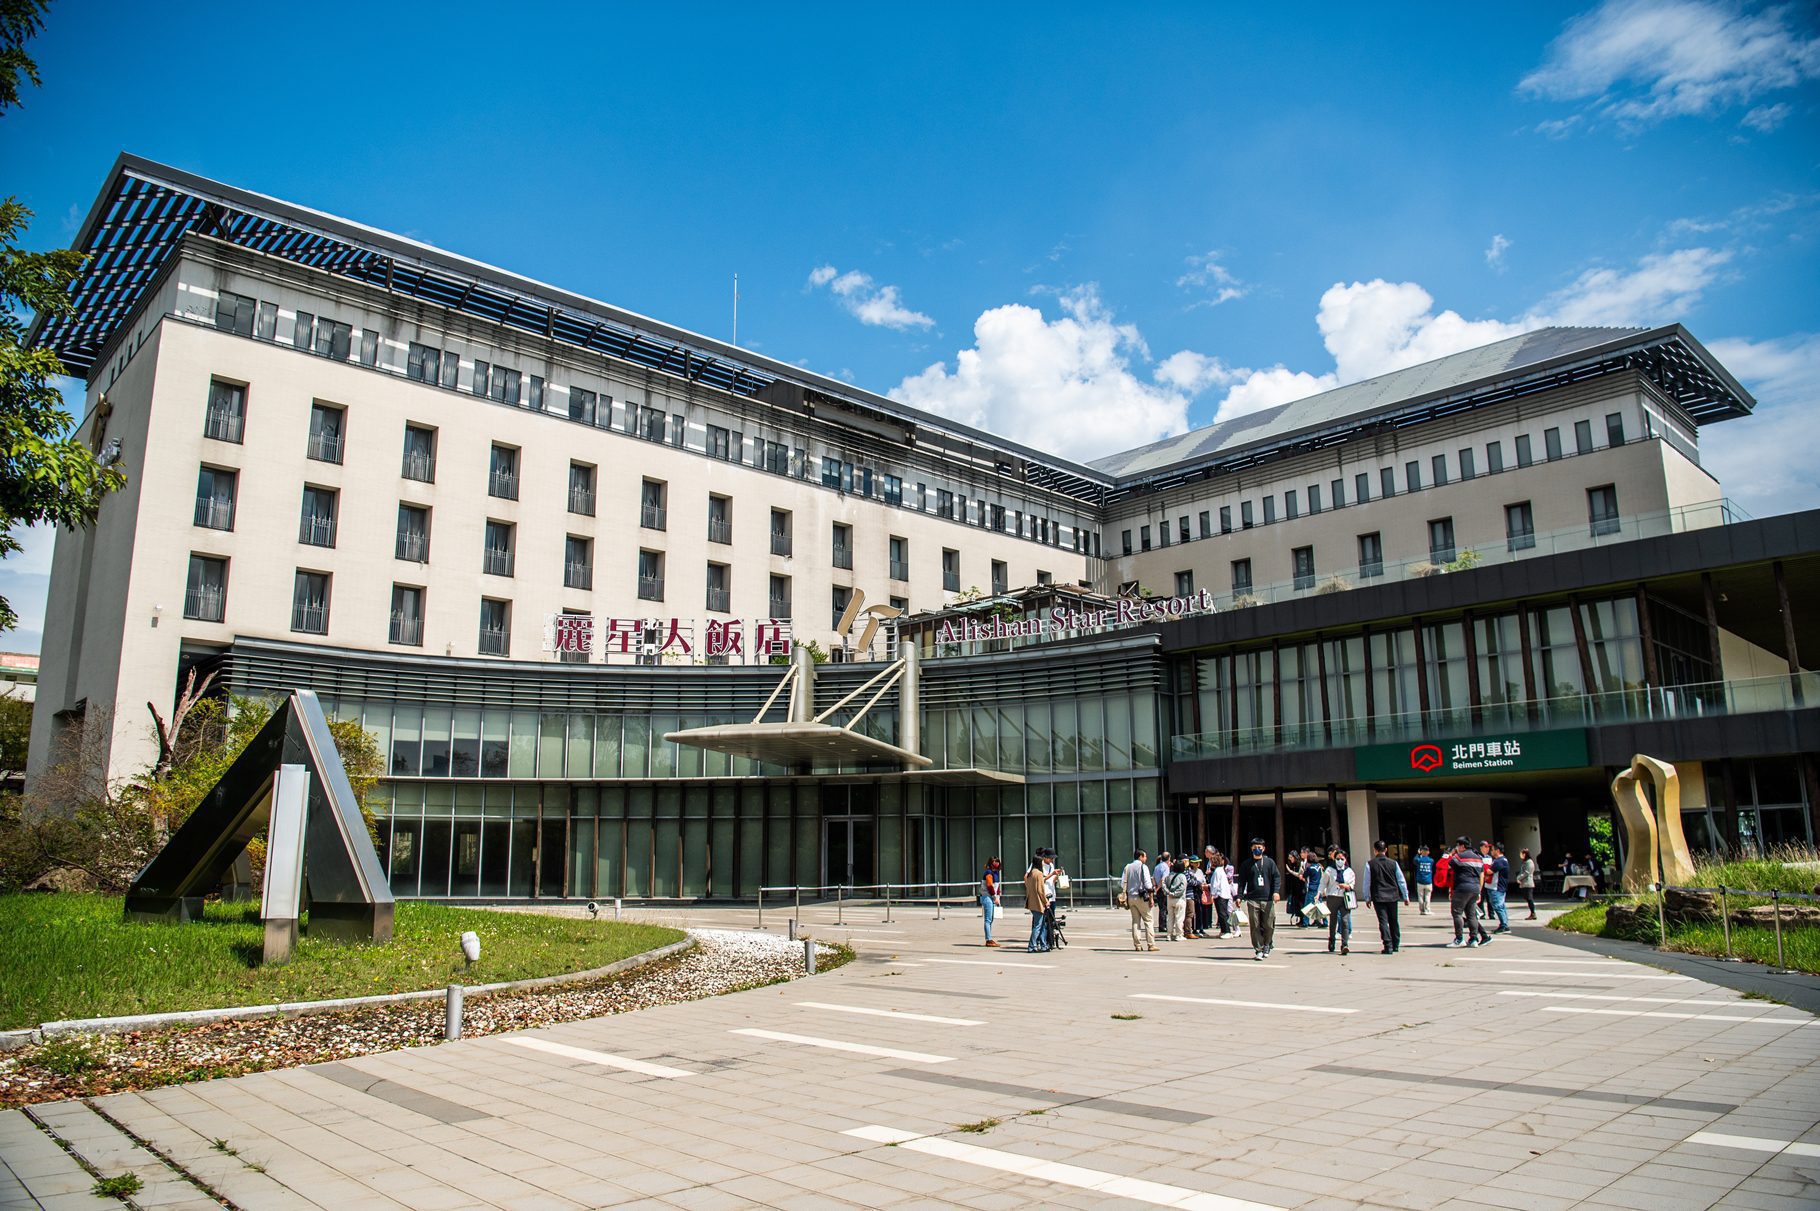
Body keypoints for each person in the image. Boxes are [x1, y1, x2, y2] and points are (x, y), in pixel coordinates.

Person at [1239, 838, 1281, 961]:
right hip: (1253, 899)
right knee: (1255, 925)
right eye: (1255, 847)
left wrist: (1276, 892)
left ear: (1263, 849)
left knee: (1269, 924)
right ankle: (1258, 949)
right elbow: (1242, 881)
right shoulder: (1246, 864)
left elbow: (1276, 878)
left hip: (1268, 898)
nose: (1257, 849)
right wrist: (1239, 896)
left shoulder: (1269, 862)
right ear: (1251, 849)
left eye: (1259, 847)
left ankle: (1267, 944)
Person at [1446, 838, 1491, 948]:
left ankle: (1459, 939)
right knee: (1471, 915)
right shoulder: (1478, 858)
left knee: (1457, 913)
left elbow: (1448, 866)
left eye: (1458, 846)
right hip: (1475, 888)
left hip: (1462, 888)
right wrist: (1479, 890)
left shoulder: (1459, 857)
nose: (1457, 848)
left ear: (1462, 846)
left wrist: (1450, 854)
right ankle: (1473, 939)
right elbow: (1482, 875)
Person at [1366, 840, 1409, 953]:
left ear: (1374, 850)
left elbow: (1367, 882)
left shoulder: (1370, 864)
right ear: (1386, 850)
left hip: (1378, 896)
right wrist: (1405, 896)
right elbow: (1401, 880)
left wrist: (1367, 897)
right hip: (1392, 896)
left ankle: (1388, 945)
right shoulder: (1393, 863)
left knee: (1383, 921)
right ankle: (1396, 944)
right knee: (1394, 920)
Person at [1320, 848, 1356, 955]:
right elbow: (1323, 883)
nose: (1340, 861)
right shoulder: (1329, 870)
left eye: (1342, 859)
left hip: (1345, 897)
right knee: (1333, 920)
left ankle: (1345, 944)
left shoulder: (1349, 871)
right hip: (1333, 897)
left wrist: (1347, 886)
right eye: (1338, 858)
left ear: (1345, 859)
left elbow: (1352, 884)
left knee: (1345, 920)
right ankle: (1332, 940)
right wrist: (1319, 893)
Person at [1121, 848, 1157, 952]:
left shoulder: (1127, 867)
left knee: (1135, 921)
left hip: (1131, 897)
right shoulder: (1143, 867)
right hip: (1142, 897)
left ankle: (1137, 945)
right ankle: (1151, 944)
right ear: (1140, 856)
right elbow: (1148, 884)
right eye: (1145, 856)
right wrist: (1151, 897)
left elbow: (1122, 883)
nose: (1146, 858)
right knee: (1148, 920)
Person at [1023, 854, 1049, 953]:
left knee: (1040, 925)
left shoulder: (1030, 873)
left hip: (1031, 902)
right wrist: (1046, 901)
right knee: (1038, 926)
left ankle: (1043, 945)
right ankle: (1032, 946)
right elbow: (1041, 890)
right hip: (1038, 903)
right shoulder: (1039, 874)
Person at [1209, 850, 1236, 937]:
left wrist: (1212, 894)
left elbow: (1215, 884)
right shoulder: (1221, 870)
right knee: (1222, 913)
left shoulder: (1217, 871)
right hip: (1224, 894)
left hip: (1220, 895)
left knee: (1222, 914)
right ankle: (1223, 930)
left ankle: (1227, 931)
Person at [1487, 843, 1511, 933]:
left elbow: (1489, 871)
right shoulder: (1502, 860)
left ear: (1497, 851)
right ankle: (1504, 924)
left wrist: (1483, 867)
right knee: (1501, 906)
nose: (1491, 851)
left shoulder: (1499, 861)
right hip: (1498, 887)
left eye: (1492, 850)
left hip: (1496, 887)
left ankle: (1504, 925)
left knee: (1498, 906)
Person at [1164, 857, 1189, 942]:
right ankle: (1179, 935)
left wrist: (1168, 893)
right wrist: (1174, 893)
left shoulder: (1169, 875)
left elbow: (1164, 884)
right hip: (1179, 899)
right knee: (1179, 918)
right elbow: (1182, 888)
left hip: (1169, 899)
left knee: (1170, 917)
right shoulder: (1182, 876)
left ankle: (1169, 935)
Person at [980, 857, 1003, 947]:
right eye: (994, 862)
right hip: (987, 897)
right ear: (990, 863)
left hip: (992, 897)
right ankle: (988, 940)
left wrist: (998, 897)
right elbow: (990, 886)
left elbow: (997, 887)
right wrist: (995, 897)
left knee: (990, 919)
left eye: (997, 861)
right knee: (988, 919)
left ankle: (989, 938)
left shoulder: (996, 872)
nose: (996, 863)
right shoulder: (989, 872)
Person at [1184, 856, 1208, 939]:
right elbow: (1190, 881)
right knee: (1192, 912)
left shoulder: (1200, 871)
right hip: (1192, 892)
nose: (1197, 864)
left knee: (1200, 910)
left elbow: (1203, 881)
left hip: (1199, 892)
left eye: (1198, 862)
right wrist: (1197, 882)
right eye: (1195, 862)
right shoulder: (1188, 871)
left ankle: (1200, 928)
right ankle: (1193, 928)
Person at [1283, 849, 1308, 927]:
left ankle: (1304, 920)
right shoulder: (1292, 865)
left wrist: (1290, 871)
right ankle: (1300, 919)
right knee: (1297, 904)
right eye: (1289, 857)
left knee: (1302, 904)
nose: (1290, 859)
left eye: (1291, 857)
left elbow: (1300, 874)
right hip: (1295, 888)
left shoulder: (1300, 864)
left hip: (1301, 887)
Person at [1153, 851, 1173, 938]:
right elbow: (1163, 879)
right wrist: (1158, 888)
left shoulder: (1157, 866)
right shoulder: (1166, 867)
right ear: (1168, 858)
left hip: (1158, 888)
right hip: (1162, 889)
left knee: (1161, 907)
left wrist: (1155, 886)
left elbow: (1153, 878)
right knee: (1164, 908)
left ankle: (1162, 924)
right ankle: (1163, 926)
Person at [1516, 847, 1539, 920]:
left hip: (1528, 883)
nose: (1520, 855)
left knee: (1529, 898)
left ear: (1524, 854)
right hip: (1524, 883)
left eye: (1521, 854)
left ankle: (1533, 913)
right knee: (1527, 898)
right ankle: (1532, 913)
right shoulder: (1524, 862)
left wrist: (1519, 878)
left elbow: (1526, 872)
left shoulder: (1529, 862)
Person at [1413, 845, 1435, 915]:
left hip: (1420, 881)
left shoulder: (1419, 860)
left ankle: (1422, 910)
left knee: (1420, 896)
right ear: (1428, 852)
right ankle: (1427, 909)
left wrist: (1418, 854)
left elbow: (1415, 860)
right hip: (1428, 881)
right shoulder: (1431, 860)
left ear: (1421, 852)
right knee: (1427, 896)